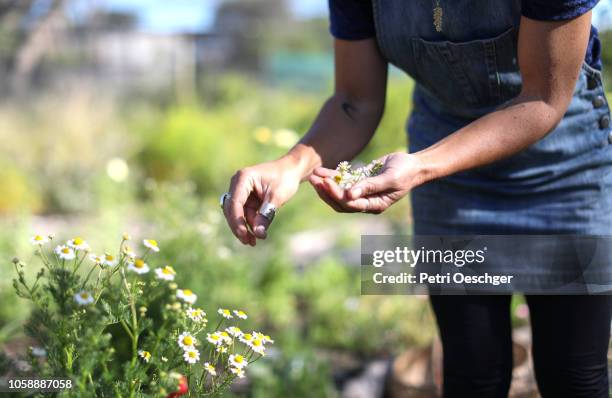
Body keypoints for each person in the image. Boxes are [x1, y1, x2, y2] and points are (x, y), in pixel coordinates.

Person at [221, 1, 611, 396]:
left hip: (563, 171)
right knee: (472, 372)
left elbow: (543, 99)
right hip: (451, 177)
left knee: (573, 375)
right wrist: (292, 164)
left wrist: (422, 166)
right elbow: (355, 101)